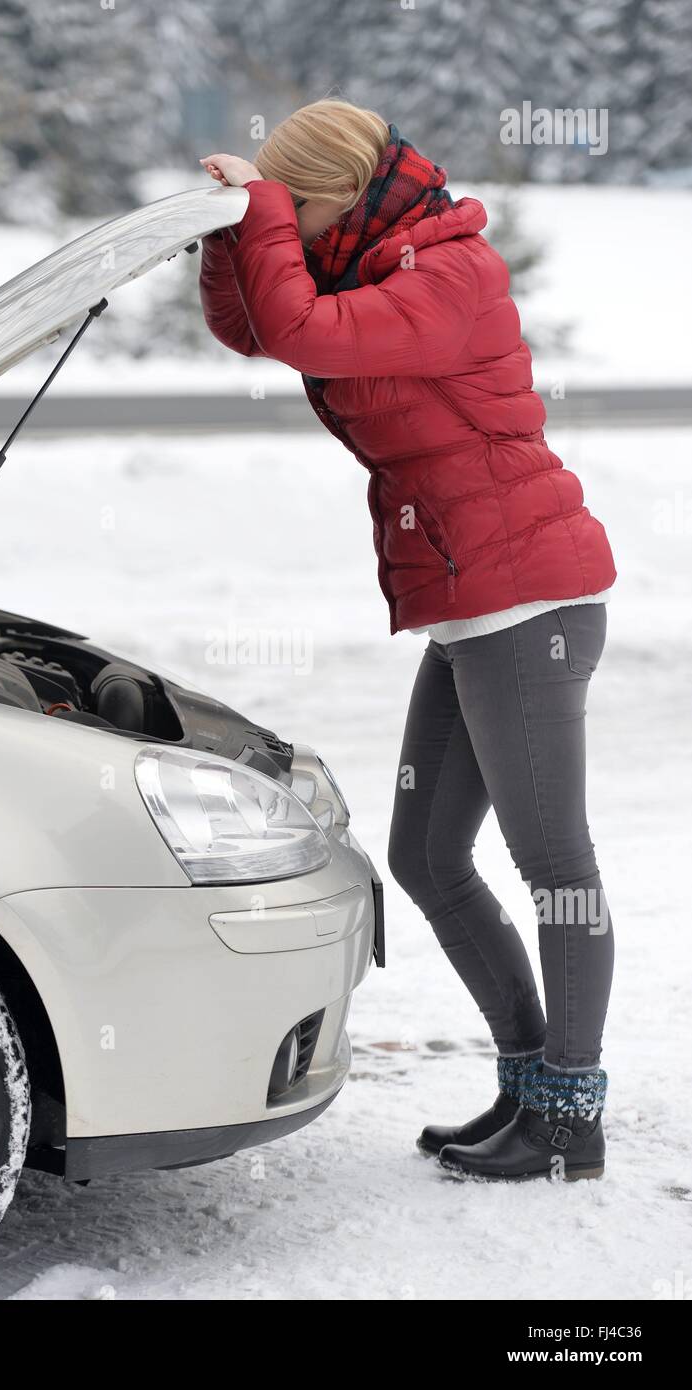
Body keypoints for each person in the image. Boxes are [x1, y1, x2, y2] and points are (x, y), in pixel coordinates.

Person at [198, 99, 616, 1181]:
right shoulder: (369, 259)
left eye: (297, 206)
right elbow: (255, 323)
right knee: (426, 855)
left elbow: (299, 330)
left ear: (336, 195)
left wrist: (261, 217)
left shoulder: (448, 274)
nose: (287, 224)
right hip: (472, 599)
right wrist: (227, 232)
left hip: (529, 604)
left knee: (553, 860)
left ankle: (570, 1114)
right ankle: (529, 1082)